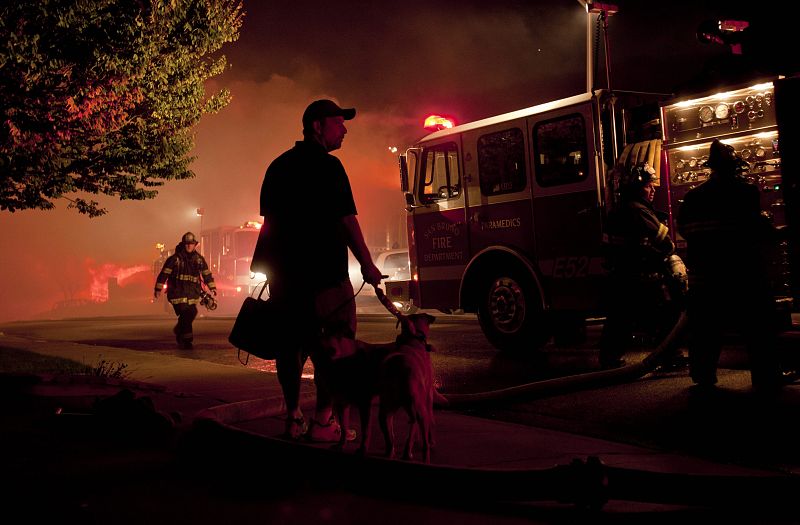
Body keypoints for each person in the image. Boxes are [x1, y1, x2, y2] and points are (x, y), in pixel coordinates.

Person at [256, 99, 383, 441]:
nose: (344, 129)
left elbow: (269, 223)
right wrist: (367, 264)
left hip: (285, 279)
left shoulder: (277, 167)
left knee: (290, 348)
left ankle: (293, 417)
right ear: (317, 126)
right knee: (337, 348)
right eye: (338, 123)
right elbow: (346, 220)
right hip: (327, 279)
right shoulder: (330, 167)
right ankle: (324, 422)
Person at [677, 139, 786, 394]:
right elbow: (758, 231)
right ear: (734, 167)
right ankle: (766, 376)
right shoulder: (745, 193)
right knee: (759, 327)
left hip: (705, 280)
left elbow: (684, 231)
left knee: (705, 330)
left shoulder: (692, 197)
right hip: (742, 276)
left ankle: (703, 375)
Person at [599, 162, 687, 370]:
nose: (653, 189)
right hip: (641, 276)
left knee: (619, 319)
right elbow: (665, 243)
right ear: (636, 187)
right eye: (648, 186)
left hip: (621, 276)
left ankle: (609, 358)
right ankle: (669, 356)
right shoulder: (639, 211)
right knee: (666, 313)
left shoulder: (618, 210)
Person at [154, 232, 216, 350]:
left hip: (192, 294)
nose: (189, 246)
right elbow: (164, 274)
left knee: (192, 312)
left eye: (191, 244)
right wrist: (158, 289)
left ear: (195, 245)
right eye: (187, 243)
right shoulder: (174, 259)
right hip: (177, 293)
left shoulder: (199, 259)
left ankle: (179, 330)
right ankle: (187, 341)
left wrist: (212, 287)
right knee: (186, 315)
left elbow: (206, 274)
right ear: (183, 244)